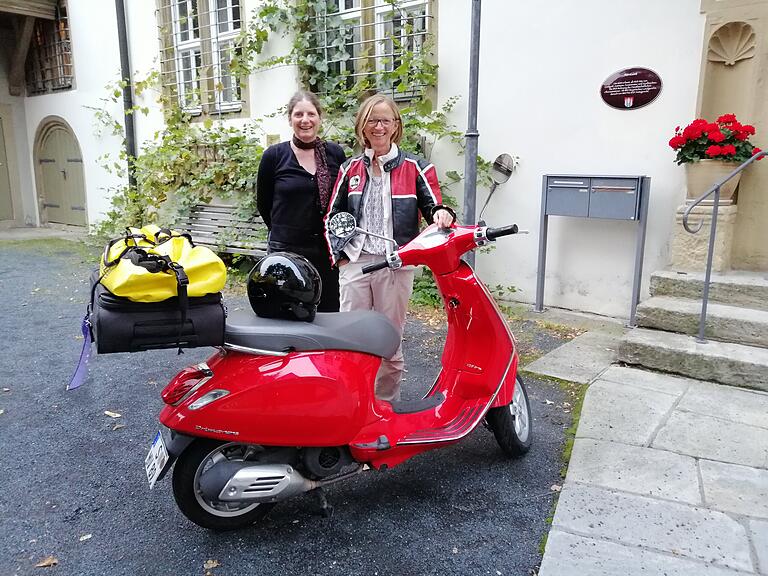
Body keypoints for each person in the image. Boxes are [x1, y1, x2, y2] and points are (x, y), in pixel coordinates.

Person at [325, 94, 456, 401]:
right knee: (350, 336)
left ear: (396, 125)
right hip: (356, 262)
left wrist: (443, 214)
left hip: (395, 264)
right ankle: (353, 401)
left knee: (389, 338)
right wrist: (340, 259)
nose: (379, 126)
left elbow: (435, 205)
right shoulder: (349, 169)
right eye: (372, 120)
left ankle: (384, 405)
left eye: (385, 120)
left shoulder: (416, 167)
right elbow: (332, 216)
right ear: (363, 125)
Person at [256, 91, 347, 312]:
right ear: (290, 119)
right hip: (286, 252)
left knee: (329, 313)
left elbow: (343, 199)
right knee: (288, 313)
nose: (305, 120)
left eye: (311, 114)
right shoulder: (274, 156)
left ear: (319, 118)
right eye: (298, 114)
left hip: (326, 253)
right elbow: (264, 203)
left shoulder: (335, 154)